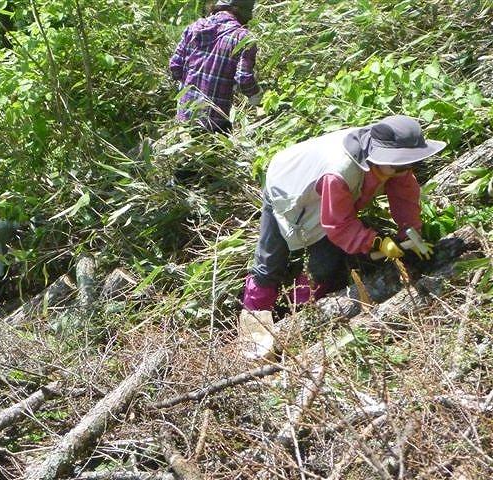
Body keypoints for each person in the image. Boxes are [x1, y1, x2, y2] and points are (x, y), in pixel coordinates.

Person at [242, 115, 447, 311]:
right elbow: (339, 225)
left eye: (408, 163)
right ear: (381, 155)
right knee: (271, 262)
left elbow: (405, 198)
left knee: (323, 266)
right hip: (288, 189)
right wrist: (378, 242)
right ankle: (255, 310)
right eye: (400, 164)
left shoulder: (394, 165)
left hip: (326, 196)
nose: (405, 168)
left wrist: (411, 233)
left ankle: (299, 310)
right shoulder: (340, 172)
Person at [169, 0, 262, 134]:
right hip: (214, 124)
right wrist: (258, 97)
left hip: (185, 117)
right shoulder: (243, 38)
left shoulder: (194, 27)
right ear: (242, 12)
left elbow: (175, 67)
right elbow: (244, 79)